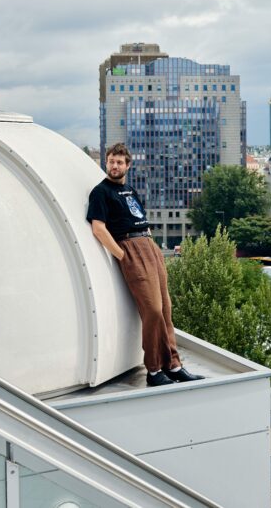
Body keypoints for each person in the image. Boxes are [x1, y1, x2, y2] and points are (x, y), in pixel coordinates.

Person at [87, 143, 204, 387]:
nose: (115, 166)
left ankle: (173, 365)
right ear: (106, 163)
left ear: (128, 166)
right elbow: (98, 228)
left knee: (166, 310)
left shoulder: (130, 190)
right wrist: (122, 255)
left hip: (150, 248)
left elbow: (140, 219)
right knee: (152, 310)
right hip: (131, 249)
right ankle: (153, 369)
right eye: (111, 161)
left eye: (119, 162)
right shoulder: (101, 192)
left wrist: (152, 245)